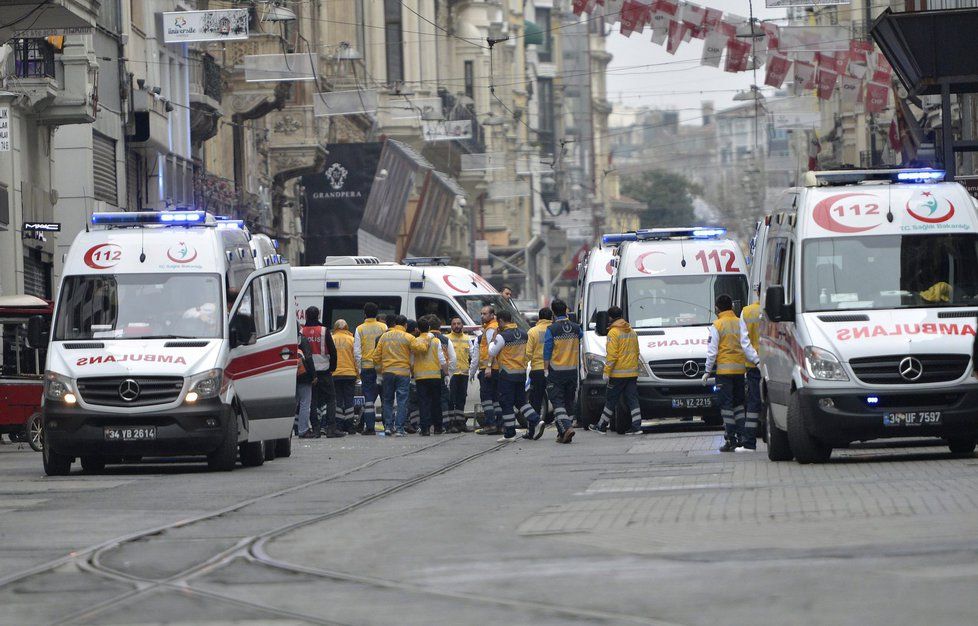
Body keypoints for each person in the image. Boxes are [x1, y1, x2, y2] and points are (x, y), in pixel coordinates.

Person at [703, 295, 758, 452]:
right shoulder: (738, 322)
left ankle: (731, 439)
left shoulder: (717, 325)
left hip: (724, 372)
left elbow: (712, 352)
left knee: (726, 406)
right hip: (740, 370)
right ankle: (742, 436)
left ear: (717, 308)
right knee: (739, 405)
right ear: (732, 307)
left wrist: (707, 371)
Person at [488, 310, 544, 442]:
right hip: (521, 373)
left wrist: (494, 338)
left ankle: (509, 433)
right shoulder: (524, 334)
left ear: (501, 321)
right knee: (521, 401)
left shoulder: (503, 336)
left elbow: (492, 351)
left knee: (506, 402)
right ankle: (536, 420)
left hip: (507, 374)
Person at [588, 306, 642, 435]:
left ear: (610, 318)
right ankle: (636, 426)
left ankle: (601, 425)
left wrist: (606, 372)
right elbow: (637, 352)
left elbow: (612, 355)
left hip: (618, 374)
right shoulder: (631, 331)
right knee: (632, 399)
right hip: (632, 373)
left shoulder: (613, 332)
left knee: (611, 399)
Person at [300, 307, 345, 438]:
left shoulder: (301, 331)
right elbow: (333, 351)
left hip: (308, 372)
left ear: (306, 316)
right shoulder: (324, 330)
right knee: (331, 399)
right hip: (324, 371)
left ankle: (316, 429)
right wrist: (332, 367)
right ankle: (331, 428)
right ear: (318, 315)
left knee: (312, 401)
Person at [544, 298, 583, 444]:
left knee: (557, 401)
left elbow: (547, 349)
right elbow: (581, 337)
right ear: (566, 309)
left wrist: (545, 368)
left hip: (556, 371)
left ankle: (566, 428)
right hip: (572, 370)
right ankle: (563, 434)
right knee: (568, 401)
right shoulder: (576, 328)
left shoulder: (551, 329)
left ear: (553, 312)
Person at [370, 314, 413, 436]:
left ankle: (388, 427)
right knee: (402, 401)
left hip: (387, 373)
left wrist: (380, 370)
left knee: (387, 400)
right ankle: (399, 428)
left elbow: (375, 357)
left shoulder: (384, 337)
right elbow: (418, 348)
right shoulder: (408, 337)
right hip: (403, 373)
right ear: (405, 325)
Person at [354, 303, 387, 435]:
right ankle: (388, 425)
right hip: (382, 368)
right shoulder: (383, 327)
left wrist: (359, 369)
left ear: (365, 314)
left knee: (368, 400)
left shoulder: (360, 329)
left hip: (366, 368)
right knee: (386, 398)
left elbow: (357, 352)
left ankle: (370, 427)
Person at [411, 317, 448, 435]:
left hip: (420, 377)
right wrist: (446, 374)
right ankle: (438, 427)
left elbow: (411, 361)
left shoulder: (415, 341)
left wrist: (412, 373)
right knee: (436, 402)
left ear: (418, 329)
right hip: (435, 376)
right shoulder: (436, 341)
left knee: (423, 403)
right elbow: (442, 359)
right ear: (429, 328)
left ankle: (425, 428)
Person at [470, 305, 501, 435]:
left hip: (488, 369)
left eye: (485, 314)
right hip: (496, 369)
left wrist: (488, 366)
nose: (482, 316)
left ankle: (490, 424)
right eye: (481, 314)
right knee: (495, 398)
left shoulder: (490, 329)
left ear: (492, 315)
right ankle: (499, 424)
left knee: (487, 398)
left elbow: (491, 350)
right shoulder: (493, 327)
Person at [738, 295, 763, 451]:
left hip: (754, 366)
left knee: (754, 403)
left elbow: (744, 342)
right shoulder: (779, 307)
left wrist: (757, 360)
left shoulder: (747, 312)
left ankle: (749, 443)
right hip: (777, 363)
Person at [425, 314, 456, 433]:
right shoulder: (446, 340)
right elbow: (453, 359)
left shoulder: (424, 339)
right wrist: (449, 374)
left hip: (426, 373)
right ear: (440, 326)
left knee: (427, 399)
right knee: (442, 399)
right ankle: (444, 424)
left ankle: (428, 424)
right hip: (442, 373)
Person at [525, 307, 553, 427]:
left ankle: (533, 427)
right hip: (553, 369)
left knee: (536, 399)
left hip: (537, 370)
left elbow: (528, 353)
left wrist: (524, 365)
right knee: (557, 398)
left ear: (539, 318)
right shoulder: (554, 330)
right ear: (551, 318)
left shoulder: (532, 332)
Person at [447, 316, 474, 432]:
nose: (456, 326)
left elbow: (473, 355)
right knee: (451, 399)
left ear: (462, 325)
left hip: (463, 373)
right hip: (451, 374)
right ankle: (452, 423)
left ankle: (460, 423)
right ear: (451, 326)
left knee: (461, 399)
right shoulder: (447, 338)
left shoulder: (467, 339)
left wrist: (471, 371)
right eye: (454, 324)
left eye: (458, 323)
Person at [332, 319, 358, 434]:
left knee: (338, 400)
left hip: (335, 374)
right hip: (350, 374)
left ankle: (338, 425)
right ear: (347, 328)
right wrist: (358, 374)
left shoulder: (331, 339)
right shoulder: (352, 340)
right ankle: (350, 426)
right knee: (349, 401)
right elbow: (356, 358)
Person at [296, 329, 318, 438]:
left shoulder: (285, 340)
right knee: (305, 403)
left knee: (292, 404)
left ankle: (289, 430)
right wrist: (313, 375)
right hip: (303, 376)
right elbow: (309, 358)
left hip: (289, 375)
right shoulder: (302, 340)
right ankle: (303, 430)